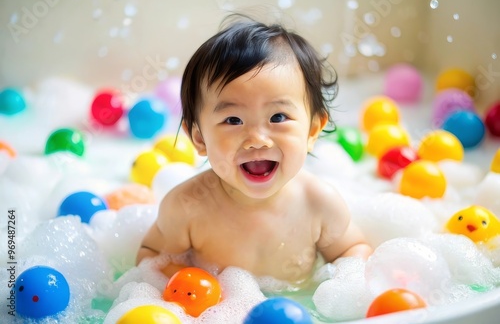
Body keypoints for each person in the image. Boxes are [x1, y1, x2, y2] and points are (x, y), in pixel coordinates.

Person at [136, 15, 372, 283]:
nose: (257, 139)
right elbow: (152, 257)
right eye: (233, 120)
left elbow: (352, 250)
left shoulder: (319, 204)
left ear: (312, 131)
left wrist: (346, 284)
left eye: (278, 117)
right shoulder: (186, 207)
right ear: (200, 139)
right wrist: (192, 291)